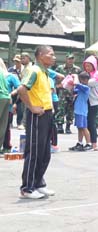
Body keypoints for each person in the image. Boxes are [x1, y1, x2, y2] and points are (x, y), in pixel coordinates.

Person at [17, 45, 57, 199]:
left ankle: (38, 183)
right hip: (37, 115)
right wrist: (32, 108)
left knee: (45, 153)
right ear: (40, 55)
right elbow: (22, 89)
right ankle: (27, 188)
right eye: (50, 54)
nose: (54, 57)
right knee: (34, 152)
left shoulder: (44, 72)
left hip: (46, 114)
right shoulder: (34, 71)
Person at [54, 54, 80, 134]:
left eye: (72, 59)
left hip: (72, 92)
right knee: (60, 109)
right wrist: (57, 86)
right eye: (69, 59)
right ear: (66, 59)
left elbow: (80, 80)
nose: (70, 60)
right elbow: (54, 78)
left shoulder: (77, 69)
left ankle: (68, 126)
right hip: (62, 91)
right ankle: (60, 126)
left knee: (70, 110)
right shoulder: (60, 68)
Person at [82, 55, 98, 150]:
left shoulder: (97, 74)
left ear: (94, 65)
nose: (87, 68)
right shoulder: (86, 74)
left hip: (94, 102)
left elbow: (88, 83)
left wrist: (77, 81)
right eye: (86, 66)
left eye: (89, 66)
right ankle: (88, 142)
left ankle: (94, 144)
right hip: (87, 101)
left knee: (91, 122)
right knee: (86, 122)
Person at [69, 70, 92, 152]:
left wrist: (75, 77)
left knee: (84, 127)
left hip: (82, 110)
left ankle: (89, 143)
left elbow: (76, 84)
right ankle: (80, 142)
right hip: (78, 110)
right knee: (80, 127)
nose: (84, 81)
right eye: (82, 79)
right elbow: (73, 90)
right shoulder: (80, 88)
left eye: (85, 79)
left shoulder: (86, 88)